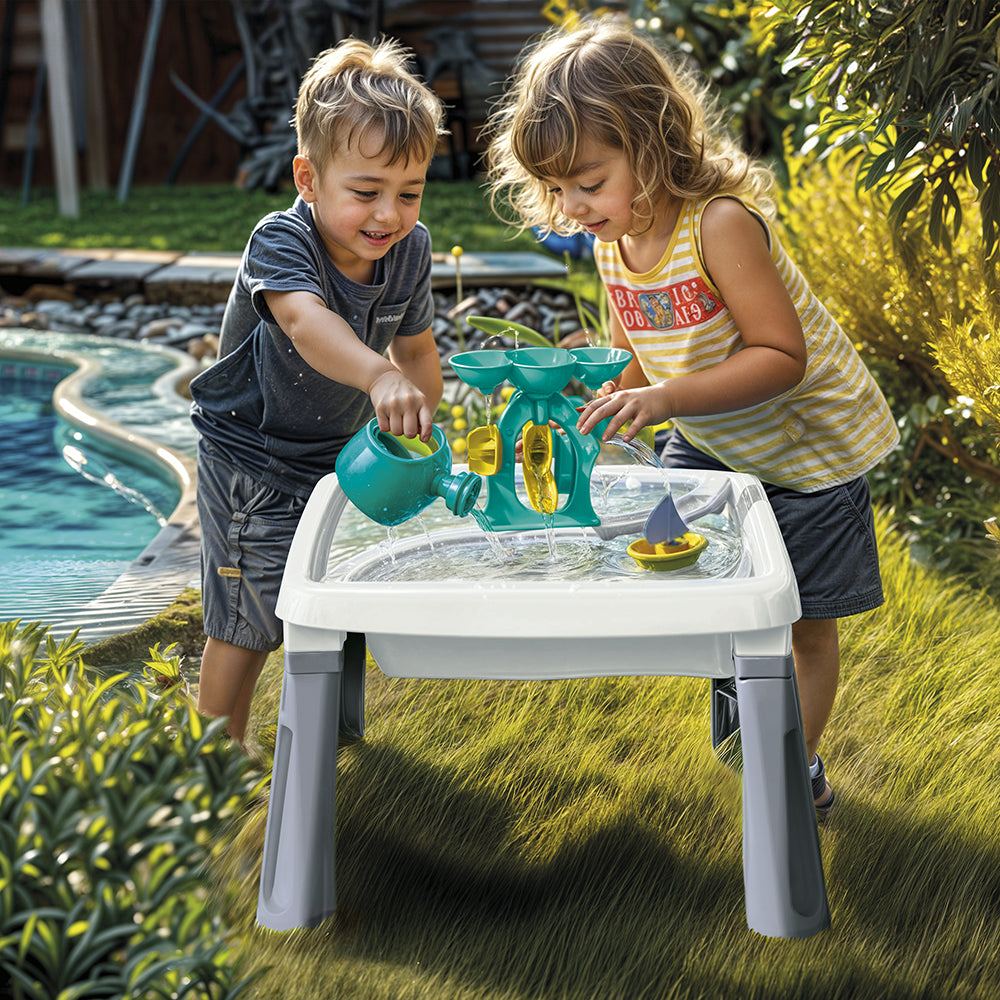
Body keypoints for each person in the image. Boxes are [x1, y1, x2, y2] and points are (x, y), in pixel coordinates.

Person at [485, 18, 898, 819]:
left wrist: (665, 400)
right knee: (703, 590)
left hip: (807, 451)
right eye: (557, 188)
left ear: (651, 142)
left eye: (588, 182)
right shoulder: (612, 241)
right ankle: (751, 723)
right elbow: (633, 355)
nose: (571, 207)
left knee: (805, 622)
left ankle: (790, 778)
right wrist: (600, 396)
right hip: (713, 442)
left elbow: (782, 355)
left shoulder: (719, 224)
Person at [188, 37, 446, 744]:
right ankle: (213, 764)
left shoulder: (409, 249)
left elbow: (417, 350)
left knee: (334, 598)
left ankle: (333, 737)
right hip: (253, 461)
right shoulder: (281, 242)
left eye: (409, 193)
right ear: (308, 178)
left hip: (336, 456)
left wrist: (422, 423)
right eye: (365, 192)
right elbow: (305, 324)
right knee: (247, 618)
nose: (389, 215)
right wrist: (378, 375)